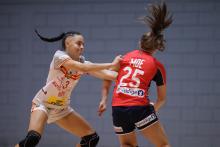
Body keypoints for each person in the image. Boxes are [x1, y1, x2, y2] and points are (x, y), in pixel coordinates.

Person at [15, 30, 121, 147]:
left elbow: (109, 75)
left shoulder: (83, 63)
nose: (82, 47)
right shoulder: (59, 57)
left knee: (91, 139)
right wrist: (111, 64)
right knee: (32, 138)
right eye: (78, 43)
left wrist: (134, 74)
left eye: (83, 44)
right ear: (68, 43)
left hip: (61, 108)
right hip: (43, 103)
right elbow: (84, 67)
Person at [98, 1, 173, 147]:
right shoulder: (157, 65)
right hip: (139, 107)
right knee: (163, 145)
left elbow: (107, 76)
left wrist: (103, 99)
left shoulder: (125, 57)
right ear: (157, 47)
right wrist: (153, 109)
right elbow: (162, 98)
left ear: (140, 43)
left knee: (128, 145)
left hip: (118, 108)